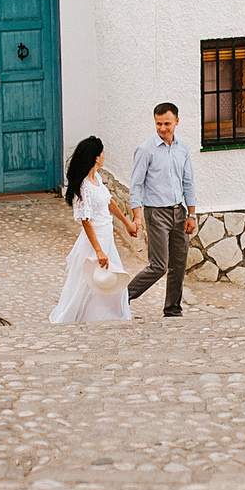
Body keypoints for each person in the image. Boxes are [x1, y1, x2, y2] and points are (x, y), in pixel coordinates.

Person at [50, 135, 141, 324]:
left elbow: (110, 202)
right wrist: (98, 250)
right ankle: (76, 317)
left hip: (107, 236)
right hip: (95, 239)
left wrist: (127, 224)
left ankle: (108, 315)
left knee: (112, 278)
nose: (104, 155)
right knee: (86, 282)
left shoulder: (97, 178)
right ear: (96, 157)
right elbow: (86, 221)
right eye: (102, 152)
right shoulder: (83, 186)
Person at [124, 101, 197, 318]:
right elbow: (136, 185)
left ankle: (173, 309)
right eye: (158, 124)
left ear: (176, 121)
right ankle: (122, 297)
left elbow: (188, 182)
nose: (162, 128)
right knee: (158, 265)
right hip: (156, 213)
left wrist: (192, 214)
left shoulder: (183, 148)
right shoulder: (146, 150)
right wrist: (137, 216)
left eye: (166, 123)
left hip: (180, 212)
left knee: (179, 265)